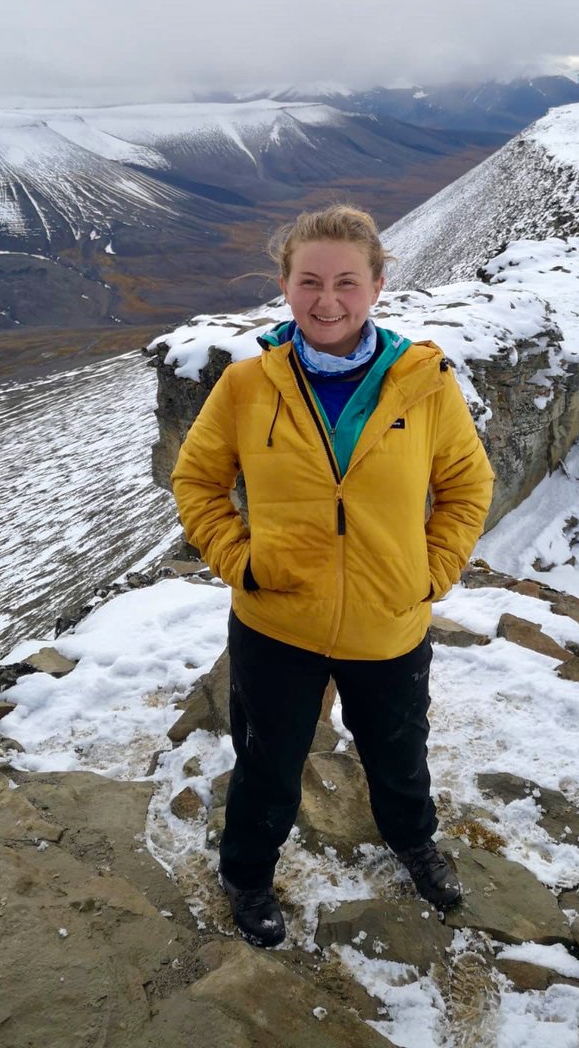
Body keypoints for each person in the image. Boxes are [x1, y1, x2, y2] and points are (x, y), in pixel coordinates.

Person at [171, 204, 494, 947]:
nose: (327, 301)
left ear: (378, 284)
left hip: (389, 620)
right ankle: (247, 876)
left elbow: (468, 486)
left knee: (398, 753)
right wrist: (242, 561)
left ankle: (413, 841)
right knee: (269, 764)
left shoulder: (424, 383)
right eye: (309, 281)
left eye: (347, 282)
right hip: (276, 621)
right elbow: (197, 482)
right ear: (284, 286)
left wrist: (429, 571)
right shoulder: (248, 386)